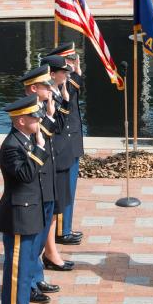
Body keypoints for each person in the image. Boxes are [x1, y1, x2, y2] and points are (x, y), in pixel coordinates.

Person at [0, 96, 52, 304]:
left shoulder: (24, 139)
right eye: (33, 117)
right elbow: (26, 175)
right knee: (17, 270)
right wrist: (39, 147)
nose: (38, 120)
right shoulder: (11, 146)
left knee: (27, 266)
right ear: (20, 121)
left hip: (29, 212)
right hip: (18, 215)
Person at [20, 65, 68, 292]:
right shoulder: (27, 113)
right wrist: (48, 113)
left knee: (43, 231)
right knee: (34, 237)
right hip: (36, 182)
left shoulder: (41, 107)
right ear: (33, 89)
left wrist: (51, 109)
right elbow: (45, 134)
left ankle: (37, 277)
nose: (50, 89)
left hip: (47, 177)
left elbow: (56, 127)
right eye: (45, 86)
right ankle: (30, 282)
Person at [43, 46, 84, 245]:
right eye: (68, 62)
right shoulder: (54, 85)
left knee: (69, 188)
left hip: (71, 141)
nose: (71, 66)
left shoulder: (68, 81)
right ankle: (61, 230)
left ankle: (64, 227)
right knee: (63, 189)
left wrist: (76, 75)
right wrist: (75, 76)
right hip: (62, 143)